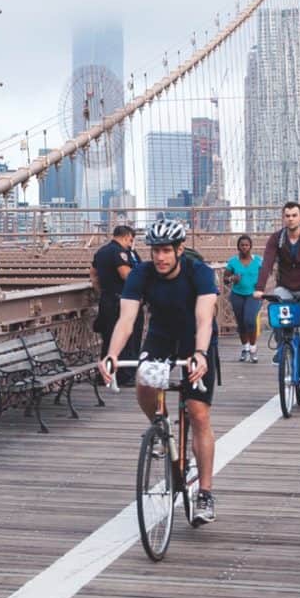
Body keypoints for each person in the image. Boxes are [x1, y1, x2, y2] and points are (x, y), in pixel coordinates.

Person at [97, 217, 222, 522]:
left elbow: (205, 317)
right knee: (144, 383)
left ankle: (205, 493)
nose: (161, 257)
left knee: (198, 411)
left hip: (196, 338)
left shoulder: (199, 273)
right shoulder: (141, 274)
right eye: (155, 251)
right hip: (162, 335)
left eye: (166, 250)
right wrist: (111, 354)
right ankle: (161, 426)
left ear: (179, 249)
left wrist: (201, 353)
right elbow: (126, 320)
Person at [255, 200, 300, 399]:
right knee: (276, 306)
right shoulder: (277, 239)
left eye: (294, 215)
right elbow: (267, 263)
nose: (291, 218)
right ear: (283, 218)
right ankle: (282, 345)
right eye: (287, 215)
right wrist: (260, 288)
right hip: (286, 288)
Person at [90, 223, 140, 361]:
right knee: (127, 339)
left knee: (109, 338)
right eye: (131, 240)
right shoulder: (121, 252)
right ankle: (125, 374)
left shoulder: (101, 251)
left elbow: (93, 274)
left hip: (107, 299)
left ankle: (107, 371)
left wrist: (101, 291)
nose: (131, 244)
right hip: (123, 301)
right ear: (127, 237)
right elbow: (126, 275)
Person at [220, 234, 264, 362]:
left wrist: (261, 285)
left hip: (253, 295)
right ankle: (245, 348)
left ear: (250, 246)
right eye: (242, 245)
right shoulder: (233, 262)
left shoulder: (258, 261)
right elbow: (225, 280)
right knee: (241, 323)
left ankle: (253, 349)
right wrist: (232, 278)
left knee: (250, 320)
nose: (244, 247)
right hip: (237, 295)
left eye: (247, 245)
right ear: (238, 247)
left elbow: (265, 275)